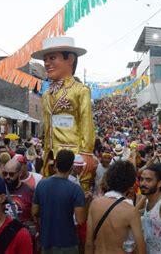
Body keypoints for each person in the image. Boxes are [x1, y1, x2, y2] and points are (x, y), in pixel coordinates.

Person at [31, 37, 95, 186]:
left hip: (75, 158)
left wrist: (86, 153)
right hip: (50, 158)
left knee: (76, 197)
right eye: (45, 60)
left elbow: (87, 123)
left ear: (70, 59)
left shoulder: (81, 90)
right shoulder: (46, 94)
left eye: (52, 58)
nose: (47, 63)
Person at [32, 149, 86, 254]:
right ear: (71, 167)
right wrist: (86, 202)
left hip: (46, 240)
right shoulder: (76, 189)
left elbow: (34, 212)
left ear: (56, 164)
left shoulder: (42, 185)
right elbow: (80, 220)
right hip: (67, 242)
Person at [86, 161, 146, 254]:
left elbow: (89, 244)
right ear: (130, 185)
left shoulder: (95, 204)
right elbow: (141, 250)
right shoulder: (131, 211)